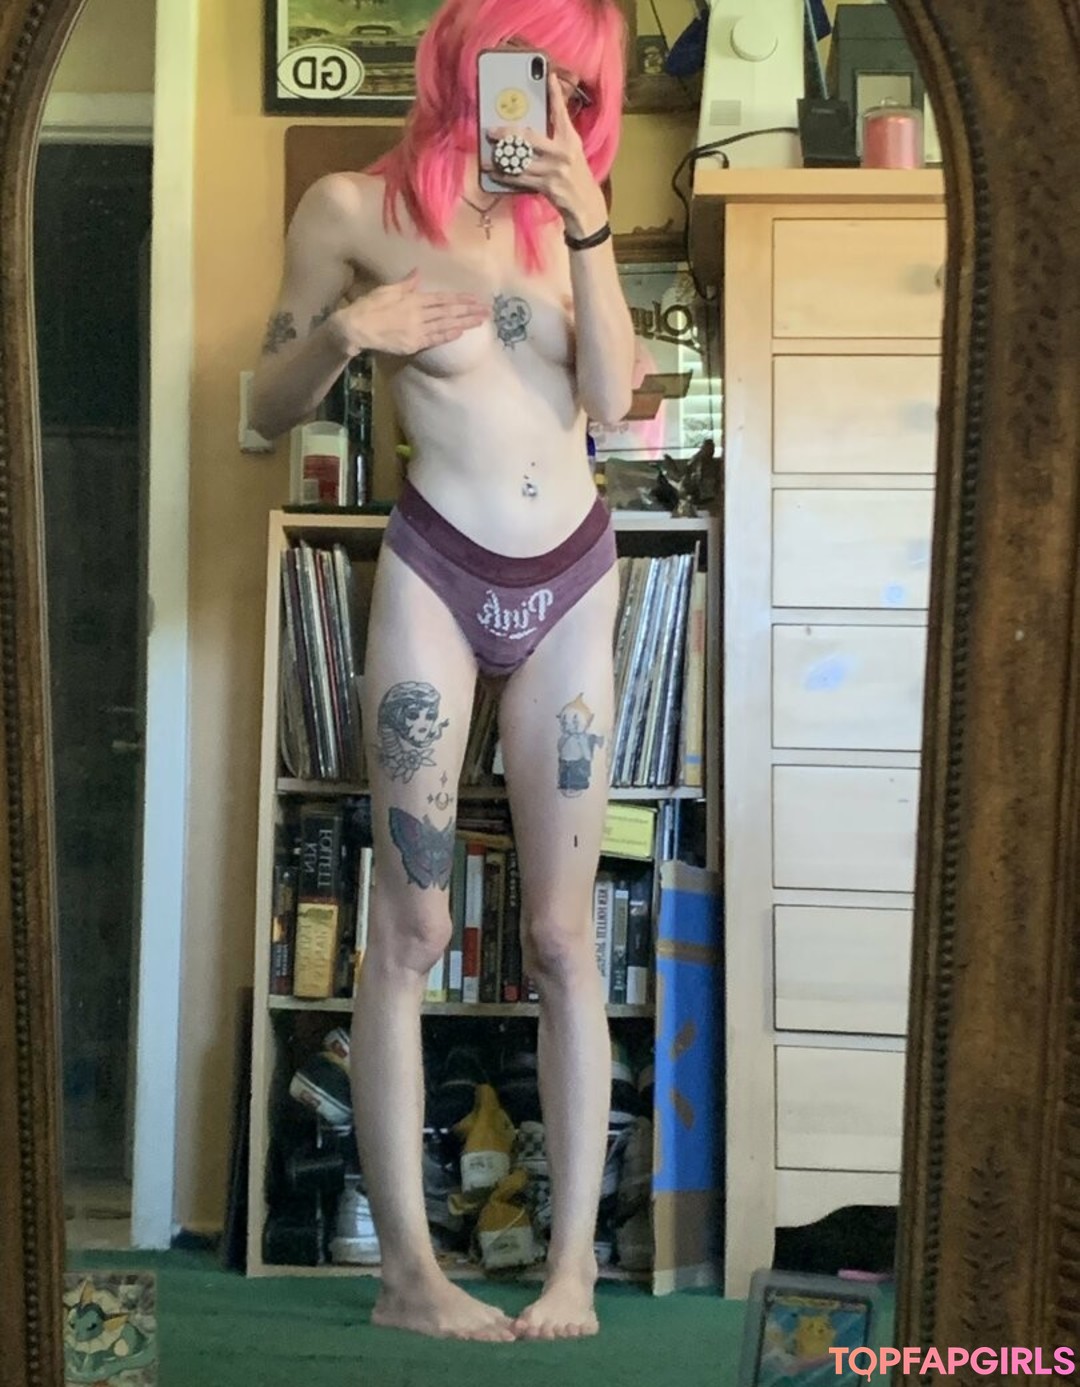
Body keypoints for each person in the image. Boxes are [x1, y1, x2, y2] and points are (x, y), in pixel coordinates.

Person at [250, 0, 634, 1344]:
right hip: (436, 569)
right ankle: (409, 1279)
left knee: (563, 941)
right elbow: (257, 411)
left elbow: (616, 400)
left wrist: (590, 226)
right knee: (408, 933)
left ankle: (573, 1274)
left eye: (579, 86)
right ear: (470, 55)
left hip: (572, 579)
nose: (554, 104)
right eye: (536, 68)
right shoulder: (349, 208)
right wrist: (350, 331)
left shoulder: (570, 220)